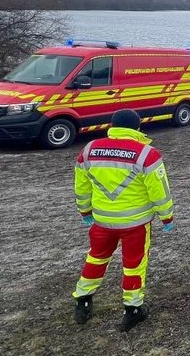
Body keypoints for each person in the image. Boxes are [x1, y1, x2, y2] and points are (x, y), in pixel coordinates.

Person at [71, 109, 174, 332]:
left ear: (113, 126)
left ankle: (83, 299)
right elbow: (159, 191)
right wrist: (167, 216)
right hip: (135, 222)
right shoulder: (147, 154)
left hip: (102, 220)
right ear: (137, 128)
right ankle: (132, 309)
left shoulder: (89, 149)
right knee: (134, 265)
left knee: (96, 259)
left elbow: (82, 185)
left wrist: (85, 211)